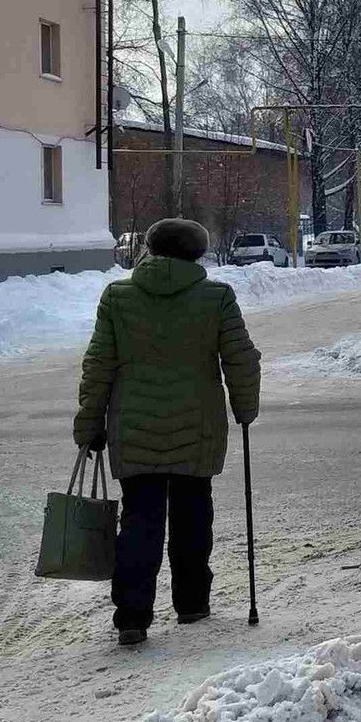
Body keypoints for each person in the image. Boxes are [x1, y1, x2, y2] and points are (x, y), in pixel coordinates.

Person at [74, 217, 261, 647]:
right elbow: (241, 359)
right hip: (197, 429)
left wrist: (89, 422)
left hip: (135, 429)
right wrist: (245, 409)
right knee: (193, 514)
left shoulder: (118, 297)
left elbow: (98, 364)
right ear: (198, 253)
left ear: (151, 250)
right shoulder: (215, 297)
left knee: (139, 521)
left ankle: (132, 617)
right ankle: (192, 602)